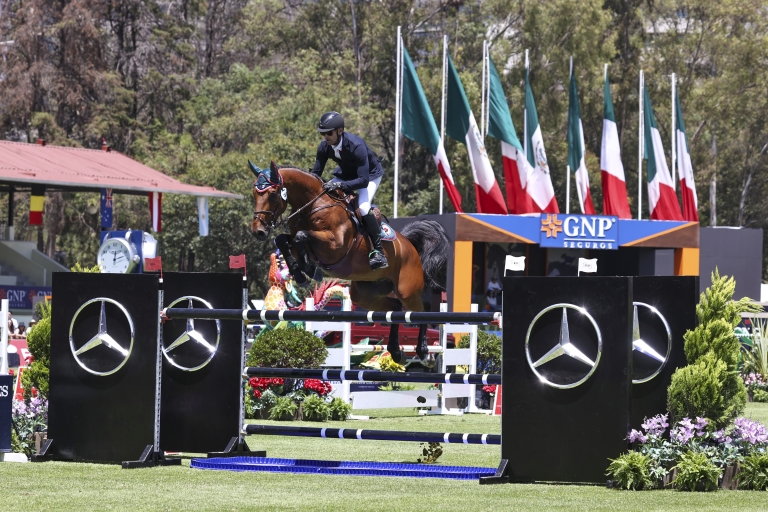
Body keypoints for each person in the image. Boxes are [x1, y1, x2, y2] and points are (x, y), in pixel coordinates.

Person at [312, 111, 388, 270]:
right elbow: (315, 176)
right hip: (347, 175)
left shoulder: (356, 145)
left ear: (340, 131)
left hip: (369, 177)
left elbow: (363, 180)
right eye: (323, 133)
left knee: (363, 207)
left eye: (329, 133)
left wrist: (339, 186)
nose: (326, 136)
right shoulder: (324, 147)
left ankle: (379, 252)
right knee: (321, 194)